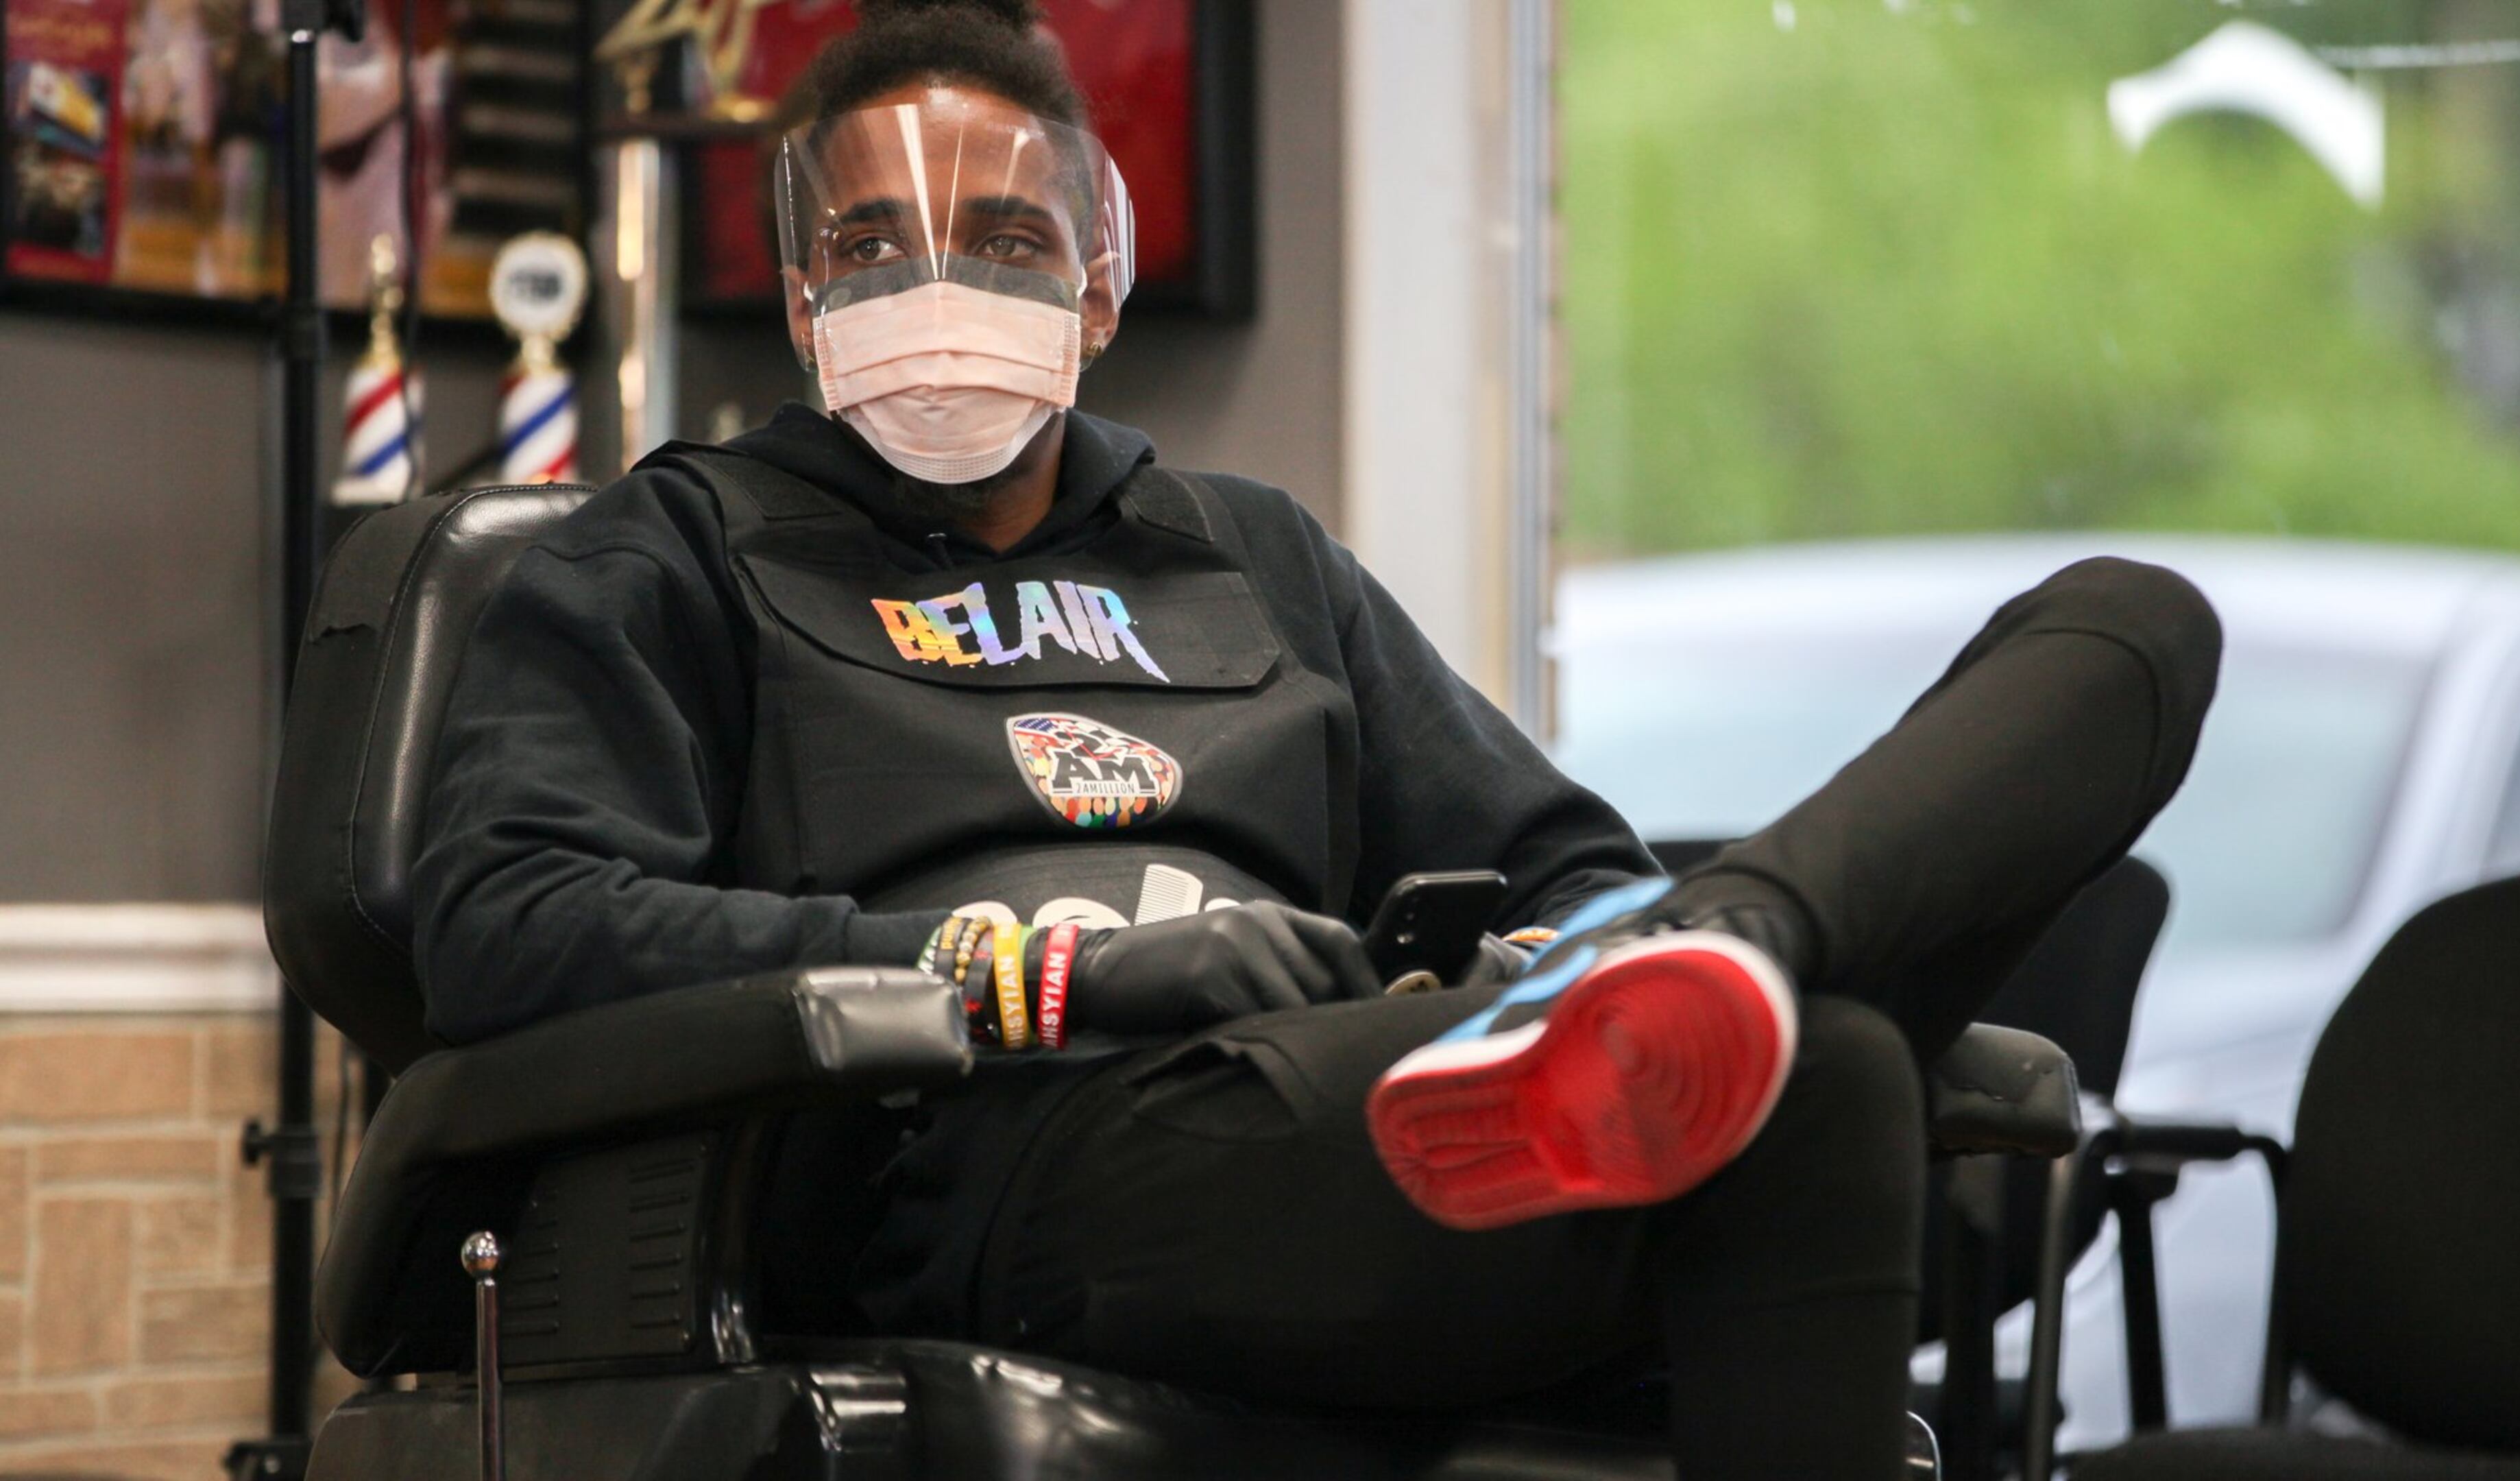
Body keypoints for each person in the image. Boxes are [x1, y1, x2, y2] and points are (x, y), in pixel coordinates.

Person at [411, 1, 2220, 1473]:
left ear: (1095, 291)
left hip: (1395, 1084)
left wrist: (1542, 958)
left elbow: (1570, 860)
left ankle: (1704, 970)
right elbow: (505, 914)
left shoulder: (1253, 556)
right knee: (1817, 1083)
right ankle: (1689, 1002)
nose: (933, 287)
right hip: (1041, 1158)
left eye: (1007, 238)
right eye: (873, 246)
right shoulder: (672, 555)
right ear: (805, 298)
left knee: (2136, 632)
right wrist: (1021, 974)